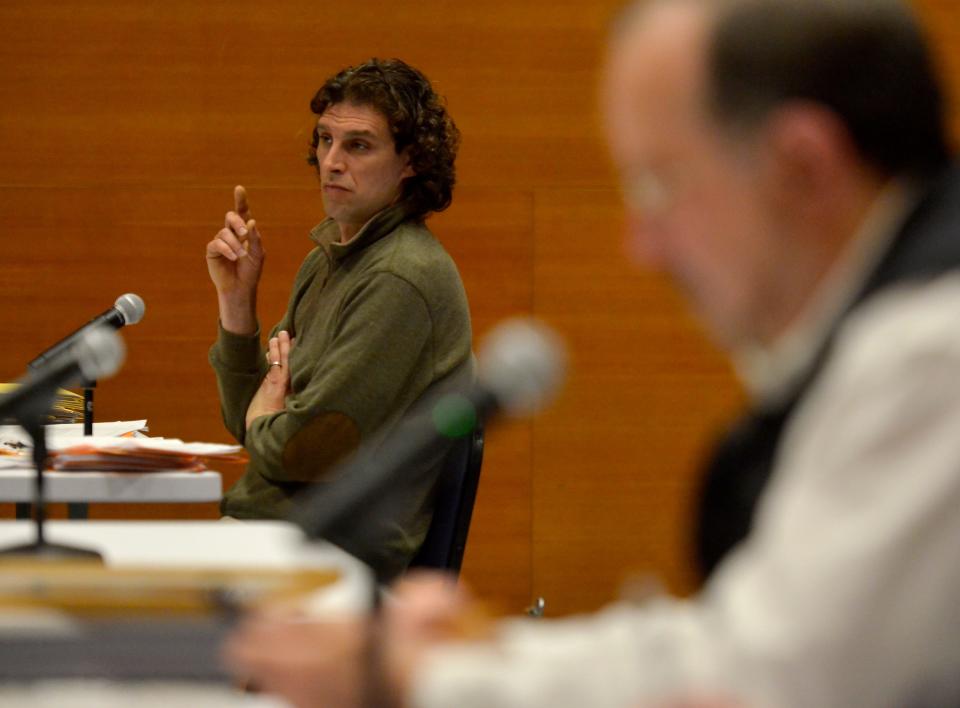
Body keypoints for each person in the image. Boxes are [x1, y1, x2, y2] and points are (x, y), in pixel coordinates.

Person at [223, 0, 960, 705]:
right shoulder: (893, 333)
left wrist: (420, 680)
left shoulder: (929, 356)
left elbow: (775, 681)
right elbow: (749, 636)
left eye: (660, 184)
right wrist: (470, 657)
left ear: (804, 167)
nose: (642, 246)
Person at [205, 58, 473, 582]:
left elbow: (299, 450)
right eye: (324, 140)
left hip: (328, 559)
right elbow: (249, 421)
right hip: (270, 540)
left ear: (411, 161)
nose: (330, 161)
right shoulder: (329, 259)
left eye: (358, 145)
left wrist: (268, 418)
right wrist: (237, 307)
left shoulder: (399, 278)